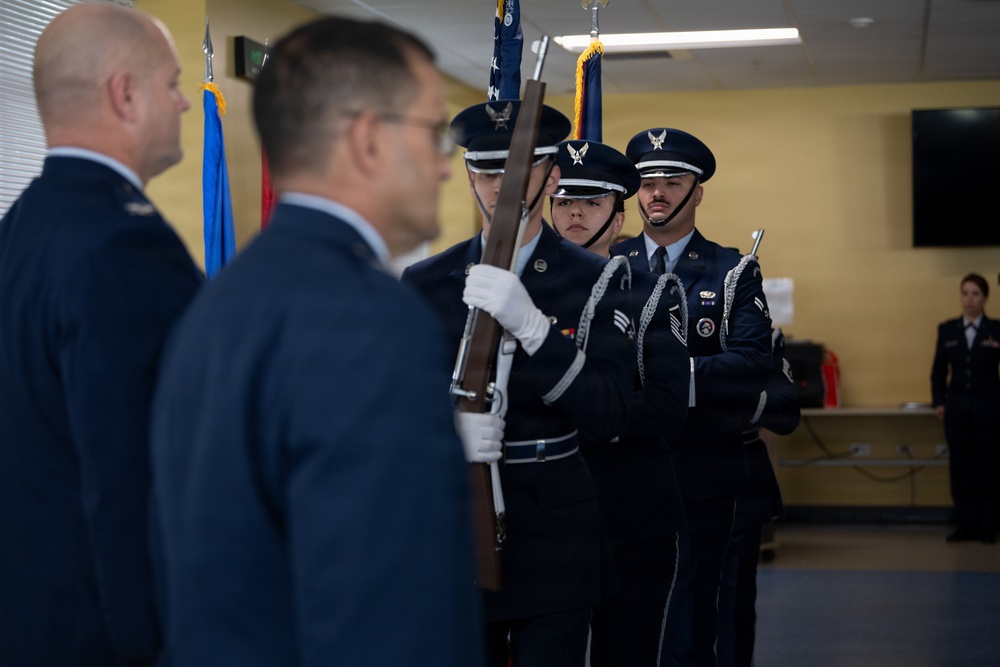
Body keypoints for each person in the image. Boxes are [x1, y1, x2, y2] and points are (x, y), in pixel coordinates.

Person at [149, 16, 486, 666]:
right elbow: (389, 606)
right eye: (433, 133)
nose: (447, 168)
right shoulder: (372, 318)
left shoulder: (218, 302)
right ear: (368, 140)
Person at [0, 5, 203, 665]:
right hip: (107, 633)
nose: (183, 104)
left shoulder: (20, 226)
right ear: (125, 94)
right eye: (172, 84)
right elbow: (138, 482)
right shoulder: (126, 244)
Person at [402, 103, 635, 667]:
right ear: (468, 177)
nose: (500, 186)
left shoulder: (598, 278)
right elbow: (391, 404)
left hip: (554, 521)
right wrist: (441, 432)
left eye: (519, 170)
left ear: (551, 176)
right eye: (486, 170)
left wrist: (535, 331)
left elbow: (611, 413)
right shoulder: (426, 280)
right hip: (454, 516)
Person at [612, 128, 773, 667]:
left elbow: (752, 364)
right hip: (624, 470)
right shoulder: (606, 265)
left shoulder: (732, 272)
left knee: (695, 619)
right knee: (623, 617)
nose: (656, 192)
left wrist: (665, 380)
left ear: (697, 190)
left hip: (703, 472)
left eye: (672, 181)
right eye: (647, 181)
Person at [549, 139, 690, 665]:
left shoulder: (653, 293)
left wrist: (582, 414)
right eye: (563, 200)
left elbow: (668, 406)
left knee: (627, 654)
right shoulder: (522, 293)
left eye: (592, 201)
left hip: (633, 508)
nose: (577, 213)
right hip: (547, 515)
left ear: (618, 213)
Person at [716, 328, 800, 667]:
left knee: (735, 603)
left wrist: (732, 392)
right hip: (677, 478)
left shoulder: (761, 338)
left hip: (740, 479)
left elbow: (785, 413)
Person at [931, 272, 1000, 544]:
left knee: (988, 469)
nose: (970, 299)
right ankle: (965, 525)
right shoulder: (947, 329)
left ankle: (986, 526)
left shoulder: (996, 330)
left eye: (975, 294)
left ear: (984, 298)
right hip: (957, 411)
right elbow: (938, 371)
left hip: (989, 411)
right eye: (965, 293)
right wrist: (939, 401)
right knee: (961, 470)